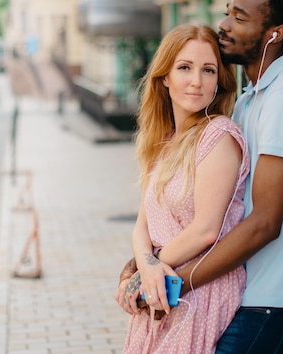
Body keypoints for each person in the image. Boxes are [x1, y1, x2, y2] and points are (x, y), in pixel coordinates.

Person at [116, 0, 283, 354]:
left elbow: (265, 222)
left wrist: (170, 278)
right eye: (227, 13)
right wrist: (144, 264)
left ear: (274, 34)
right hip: (247, 285)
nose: (225, 25)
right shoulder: (251, 98)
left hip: (274, 294)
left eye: (239, 17)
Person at [116, 24, 250, 353]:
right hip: (162, 284)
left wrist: (144, 271)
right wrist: (146, 267)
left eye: (208, 70)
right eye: (185, 68)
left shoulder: (218, 136)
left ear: (220, 80)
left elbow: (206, 230)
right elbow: (141, 227)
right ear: (164, 77)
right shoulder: (162, 143)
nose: (196, 81)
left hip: (200, 288)